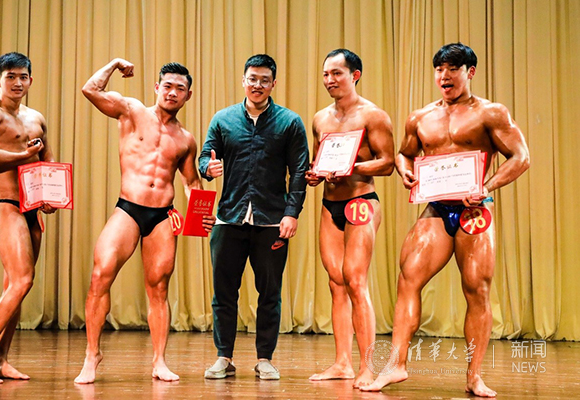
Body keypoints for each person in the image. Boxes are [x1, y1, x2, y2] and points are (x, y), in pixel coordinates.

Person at [361, 43, 530, 397]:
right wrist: (406, 172)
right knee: (408, 278)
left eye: (453, 68)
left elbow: (520, 157)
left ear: (470, 72)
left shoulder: (491, 113)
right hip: (437, 208)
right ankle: (396, 365)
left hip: (474, 211)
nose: (445, 76)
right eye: (440, 69)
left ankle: (474, 376)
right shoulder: (420, 117)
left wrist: (486, 187)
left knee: (477, 289)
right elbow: (405, 154)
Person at [74, 58, 215, 384]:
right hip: (128, 209)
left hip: (162, 215)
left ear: (188, 95)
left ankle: (159, 361)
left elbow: (191, 182)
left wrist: (201, 215)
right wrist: (114, 64)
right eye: (167, 86)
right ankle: (92, 355)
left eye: (180, 88)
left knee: (159, 287)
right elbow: (90, 90)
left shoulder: (186, 139)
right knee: (100, 275)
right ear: (157, 87)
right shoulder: (132, 111)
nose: (172, 92)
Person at [199, 54, 309, 380]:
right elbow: (205, 156)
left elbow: (299, 172)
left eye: (264, 80)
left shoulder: (290, 122)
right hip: (228, 219)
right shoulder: (223, 119)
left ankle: (265, 359)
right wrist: (207, 168)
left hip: (272, 221)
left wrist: (291, 213)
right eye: (252, 79)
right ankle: (224, 357)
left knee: (270, 294)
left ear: (273, 84)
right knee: (224, 294)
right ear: (243, 80)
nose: (257, 85)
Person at [305, 49, 395, 388]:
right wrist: (314, 175)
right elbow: (318, 160)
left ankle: (368, 367)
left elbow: (387, 162)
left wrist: (352, 167)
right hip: (330, 205)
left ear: (355, 75)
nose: (330, 80)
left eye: (337, 73)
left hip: (361, 201)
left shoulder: (373, 115)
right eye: (326, 74)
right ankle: (342, 362)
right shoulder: (320, 119)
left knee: (356, 280)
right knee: (336, 283)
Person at [0, 52, 57, 384]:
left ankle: (1, 359)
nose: (17, 82)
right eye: (10, 76)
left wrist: (51, 195)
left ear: (30, 80)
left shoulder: (36, 118)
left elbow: (47, 159)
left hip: (32, 208)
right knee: (22, 280)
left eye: (23, 76)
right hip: (6, 205)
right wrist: (22, 155)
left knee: (15, 287)